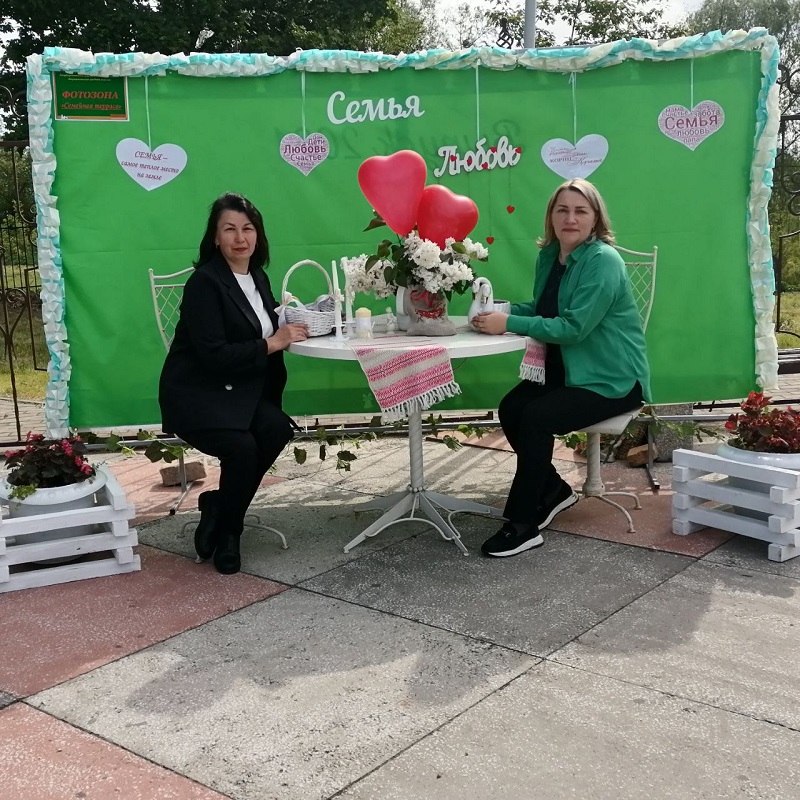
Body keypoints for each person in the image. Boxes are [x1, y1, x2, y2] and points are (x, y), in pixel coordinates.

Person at [473, 178, 650, 558]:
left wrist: (509, 324)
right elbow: (542, 309)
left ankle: (523, 526)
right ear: (551, 217)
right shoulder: (550, 255)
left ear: (595, 218)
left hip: (610, 379)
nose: (570, 218)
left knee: (536, 416)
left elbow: (572, 327)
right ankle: (554, 491)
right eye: (562, 210)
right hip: (567, 371)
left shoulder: (603, 261)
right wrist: (500, 310)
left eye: (580, 210)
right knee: (511, 408)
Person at [159, 193, 309, 574]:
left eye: (248, 228)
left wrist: (300, 323)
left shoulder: (256, 276)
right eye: (229, 229)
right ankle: (231, 532)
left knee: (275, 429)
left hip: (240, 390)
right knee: (243, 449)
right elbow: (214, 355)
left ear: (258, 235)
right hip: (198, 392)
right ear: (215, 237)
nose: (240, 237)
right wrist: (274, 342)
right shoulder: (204, 284)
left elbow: (269, 324)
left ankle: (219, 505)